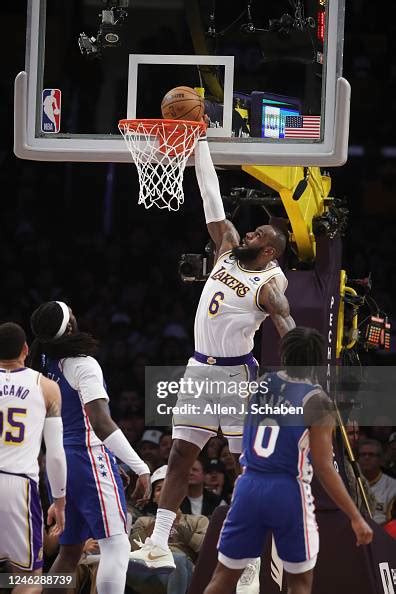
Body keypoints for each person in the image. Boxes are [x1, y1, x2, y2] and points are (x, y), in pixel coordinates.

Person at [130, 130, 295, 571]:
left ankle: (251, 559)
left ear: (271, 251)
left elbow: (285, 320)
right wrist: (198, 143)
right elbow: (211, 199)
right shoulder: (227, 251)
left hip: (238, 376)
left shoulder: (270, 282)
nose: (249, 233)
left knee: (247, 469)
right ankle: (159, 542)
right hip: (199, 368)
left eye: (258, 232)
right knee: (181, 453)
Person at [203, 327, 373, 594]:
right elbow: (324, 466)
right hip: (288, 491)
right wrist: (355, 516)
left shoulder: (256, 386)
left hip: (248, 485)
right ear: (318, 361)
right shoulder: (317, 401)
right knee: (300, 584)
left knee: (222, 578)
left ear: (284, 354)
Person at [28, 301, 151, 594]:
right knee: (117, 545)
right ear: (69, 325)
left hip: (60, 462)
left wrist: (113, 462)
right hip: (87, 458)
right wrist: (140, 466)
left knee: (69, 552)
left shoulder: (44, 363)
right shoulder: (83, 364)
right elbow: (100, 423)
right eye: (72, 313)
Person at [0, 322, 66, 591]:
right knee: (29, 581)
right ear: (26, 349)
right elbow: (55, 454)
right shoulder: (47, 387)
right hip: (17, 486)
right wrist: (59, 501)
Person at [128, 465, 208, 594]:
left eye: (169, 487)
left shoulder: (198, 521)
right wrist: (160, 521)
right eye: (159, 489)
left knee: (178, 559)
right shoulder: (143, 521)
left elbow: (206, 551)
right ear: (153, 497)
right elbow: (132, 548)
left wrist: (180, 526)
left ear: (182, 493)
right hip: (147, 569)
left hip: (183, 568)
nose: (165, 492)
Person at [358, 439, 396, 525]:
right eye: (363, 454)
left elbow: (392, 521)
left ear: (380, 459)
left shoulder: (393, 486)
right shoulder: (351, 482)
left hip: (382, 533)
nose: (367, 458)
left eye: (371, 455)